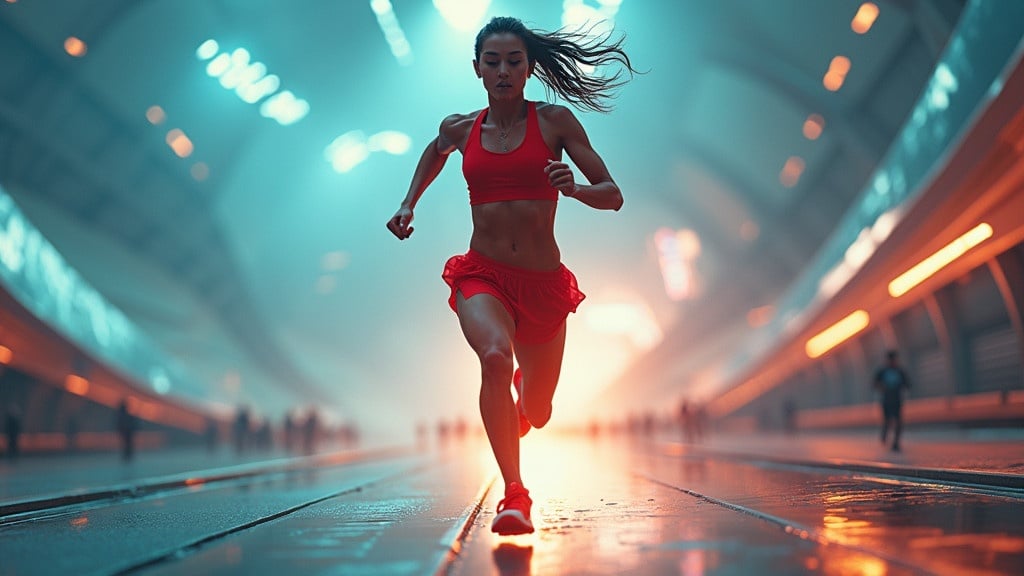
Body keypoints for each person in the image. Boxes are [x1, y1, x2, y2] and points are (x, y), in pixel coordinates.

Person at [387, 15, 637, 536]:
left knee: (540, 412)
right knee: (495, 357)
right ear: (477, 68)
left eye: (514, 62)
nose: (503, 71)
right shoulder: (460, 128)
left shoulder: (555, 123)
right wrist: (409, 203)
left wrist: (574, 188)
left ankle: (529, 395)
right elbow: (435, 153)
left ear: (529, 68)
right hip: (484, 275)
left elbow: (612, 195)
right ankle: (515, 495)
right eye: (493, 61)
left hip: (543, 286)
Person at [873, 350, 911, 451]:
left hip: (897, 400)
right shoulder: (882, 371)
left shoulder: (900, 371)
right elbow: (874, 384)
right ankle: (884, 435)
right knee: (887, 421)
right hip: (886, 401)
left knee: (898, 422)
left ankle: (896, 443)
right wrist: (882, 387)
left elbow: (908, 383)